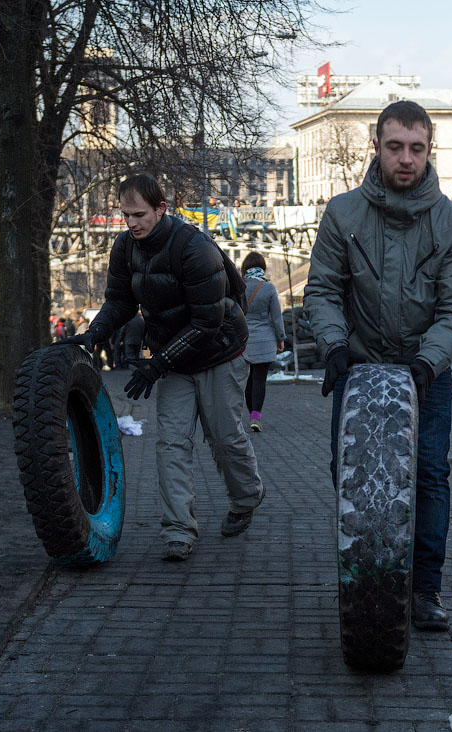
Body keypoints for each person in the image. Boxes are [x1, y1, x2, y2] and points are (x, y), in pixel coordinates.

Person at [304, 100, 452, 632]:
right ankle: (366, 575)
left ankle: (424, 589)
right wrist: (333, 346)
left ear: (430, 151)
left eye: (416, 148)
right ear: (376, 147)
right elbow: (324, 290)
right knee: (350, 475)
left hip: (425, 372)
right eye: (395, 146)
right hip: (358, 371)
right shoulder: (342, 213)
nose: (406, 158)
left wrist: (427, 366)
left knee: (427, 476)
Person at [59, 174, 265, 562]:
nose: (132, 223)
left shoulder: (194, 247)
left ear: (161, 209)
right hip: (175, 356)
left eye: (140, 214)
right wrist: (96, 332)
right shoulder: (125, 247)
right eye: (125, 216)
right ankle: (179, 531)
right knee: (171, 442)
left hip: (219, 350)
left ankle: (247, 496)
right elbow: (120, 300)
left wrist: (156, 365)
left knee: (224, 436)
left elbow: (207, 322)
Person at [239, 251, 285, 433]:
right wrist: (280, 338)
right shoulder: (268, 288)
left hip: (244, 341)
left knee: (248, 381)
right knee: (260, 379)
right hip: (265, 341)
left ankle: (252, 415)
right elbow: (276, 317)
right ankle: (255, 416)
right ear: (262, 268)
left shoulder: (239, 287)